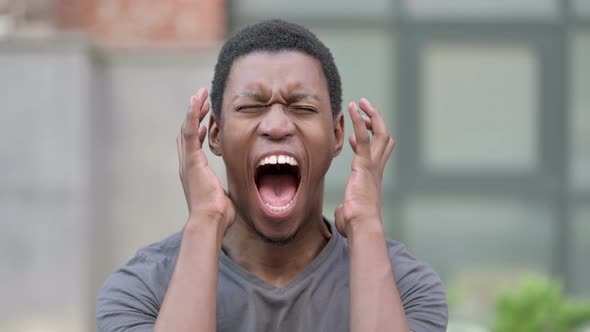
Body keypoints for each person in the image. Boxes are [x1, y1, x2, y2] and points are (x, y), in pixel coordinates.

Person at [96, 19, 448, 332]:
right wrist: (205, 221)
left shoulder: (405, 288)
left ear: (337, 135)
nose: (277, 126)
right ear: (215, 135)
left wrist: (365, 224)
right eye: (251, 107)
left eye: (302, 108)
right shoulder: (142, 289)